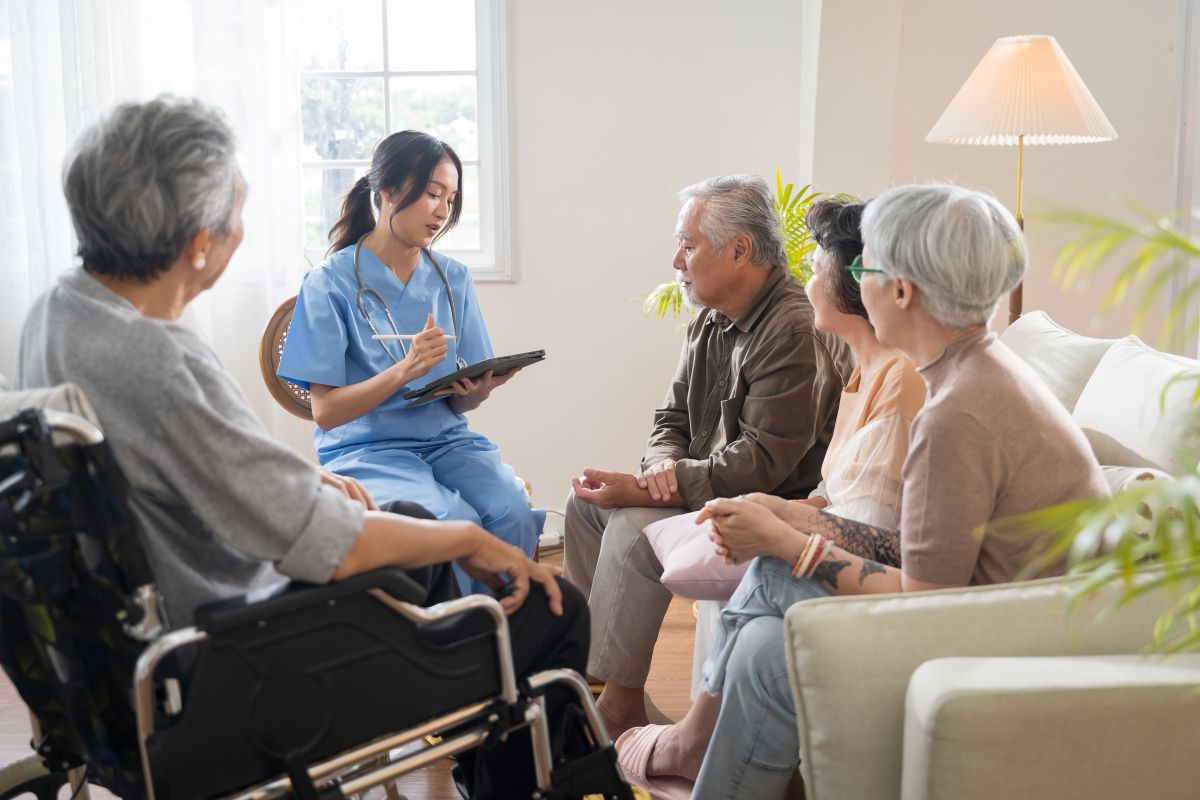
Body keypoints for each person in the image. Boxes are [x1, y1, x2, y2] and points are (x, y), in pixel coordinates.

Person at [16, 96, 586, 799]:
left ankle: (481, 726)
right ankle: (500, 762)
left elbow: (208, 470)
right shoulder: (159, 361)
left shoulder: (58, 312)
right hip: (243, 664)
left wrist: (310, 488)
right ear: (199, 242)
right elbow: (329, 544)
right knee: (554, 607)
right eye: (237, 215)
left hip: (153, 651)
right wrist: (467, 537)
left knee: (412, 518)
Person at [659, 183, 1109, 799]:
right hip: (999, 613)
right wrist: (797, 520)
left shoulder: (957, 412)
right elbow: (916, 550)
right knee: (766, 638)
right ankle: (699, 753)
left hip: (1001, 635)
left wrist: (790, 543)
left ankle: (690, 746)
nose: (846, 278)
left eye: (861, 267)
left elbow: (923, 598)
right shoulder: (973, 373)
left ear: (900, 291)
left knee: (771, 589)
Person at [614, 198, 926, 797]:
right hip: (853, 560)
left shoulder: (903, 379)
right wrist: (780, 508)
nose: (804, 274)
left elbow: (886, 539)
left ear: (861, 282)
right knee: (759, 639)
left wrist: (783, 529)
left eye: (818, 263)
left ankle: (689, 739)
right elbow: (839, 499)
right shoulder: (862, 373)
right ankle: (691, 741)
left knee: (767, 565)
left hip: (882, 590)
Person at [564, 175, 854, 738]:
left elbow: (763, 461)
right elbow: (669, 422)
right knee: (583, 509)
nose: (676, 260)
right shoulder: (709, 319)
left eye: (688, 244)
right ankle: (593, 681)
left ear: (739, 250)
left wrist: (653, 491)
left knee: (631, 524)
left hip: (769, 504)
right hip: (704, 486)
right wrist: (657, 475)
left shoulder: (792, 327)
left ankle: (618, 706)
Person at [277, 130, 539, 594]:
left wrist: (476, 392)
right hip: (367, 451)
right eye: (433, 194)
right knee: (449, 524)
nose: (442, 211)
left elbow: (461, 403)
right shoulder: (329, 283)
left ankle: (508, 645)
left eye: (451, 198)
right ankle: (453, 649)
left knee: (510, 511)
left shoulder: (452, 277)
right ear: (389, 192)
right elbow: (327, 412)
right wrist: (405, 370)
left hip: (447, 442)